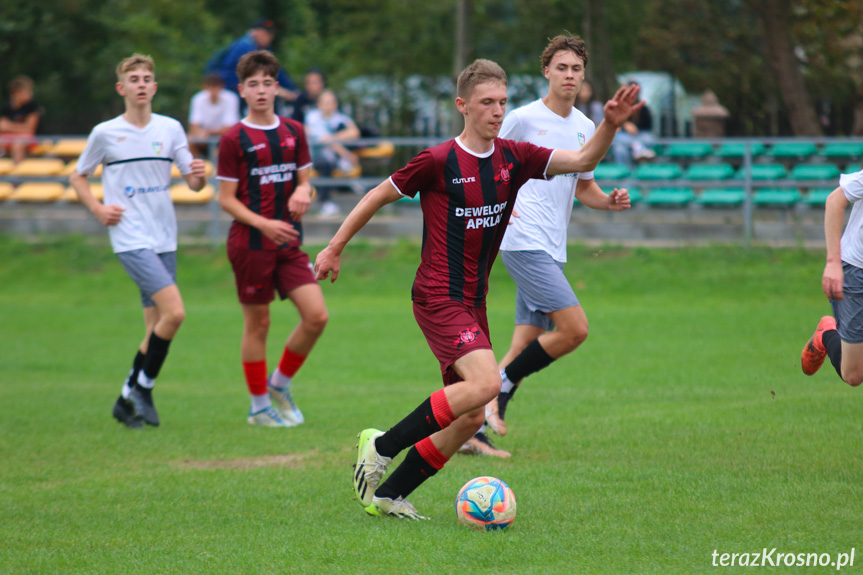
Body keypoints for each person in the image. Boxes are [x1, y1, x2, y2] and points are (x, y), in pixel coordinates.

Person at [314, 58, 643, 520]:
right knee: (487, 385)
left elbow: (584, 161)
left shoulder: (515, 157)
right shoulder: (436, 160)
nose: (496, 110)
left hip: (473, 300)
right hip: (436, 294)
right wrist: (333, 248)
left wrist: (608, 124)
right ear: (463, 106)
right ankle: (381, 445)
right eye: (487, 102)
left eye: (503, 102)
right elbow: (376, 195)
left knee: (470, 414)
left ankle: (390, 495)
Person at [470, 34, 632, 456]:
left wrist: (608, 203)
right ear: (546, 72)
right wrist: (502, 208)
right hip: (521, 241)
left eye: (576, 69)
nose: (569, 75)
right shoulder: (520, 118)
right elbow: (483, 158)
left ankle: (472, 428)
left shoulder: (583, 127)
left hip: (551, 247)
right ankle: (498, 391)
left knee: (525, 344)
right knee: (575, 329)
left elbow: (584, 187)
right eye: (561, 68)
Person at [69, 54, 208, 428]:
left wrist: (199, 174)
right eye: (134, 78)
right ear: (122, 88)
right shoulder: (105, 133)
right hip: (130, 238)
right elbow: (78, 176)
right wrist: (98, 210)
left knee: (155, 327)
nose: (142, 83)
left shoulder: (170, 128)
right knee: (175, 313)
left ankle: (124, 398)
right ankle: (144, 387)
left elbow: (193, 183)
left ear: (155, 87)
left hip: (165, 237)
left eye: (148, 77)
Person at [217, 50, 328, 427]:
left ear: (277, 87)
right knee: (258, 324)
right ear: (242, 91)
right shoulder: (233, 139)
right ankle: (258, 406)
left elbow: (304, 181)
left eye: (267, 83)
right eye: (253, 84)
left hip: (290, 243)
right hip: (250, 246)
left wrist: (305, 191)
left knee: (316, 316)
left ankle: (279, 385)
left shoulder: (294, 132)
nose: (261, 90)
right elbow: (225, 200)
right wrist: (263, 224)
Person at [801, 168, 863, 388]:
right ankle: (827, 332)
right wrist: (833, 263)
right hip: (857, 269)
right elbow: (835, 200)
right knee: (854, 374)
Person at [217, 19, 299, 108]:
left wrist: (293, 90)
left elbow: (277, 72)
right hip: (234, 90)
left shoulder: (263, 48)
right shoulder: (245, 47)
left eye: (271, 34)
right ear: (256, 33)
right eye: (267, 34)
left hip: (249, 88)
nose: (270, 37)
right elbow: (255, 75)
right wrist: (280, 91)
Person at [304, 89, 361, 216]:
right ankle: (324, 202)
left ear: (335, 104)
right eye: (326, 102)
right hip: (315, 157)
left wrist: (335, 137)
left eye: (331, 102)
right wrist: (347, 154)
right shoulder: (313, 117)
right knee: (325, 163)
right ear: (319, 104)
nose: (329, 105)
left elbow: (354, 132)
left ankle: (350, 181)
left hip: (334, 155)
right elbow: (325, 141)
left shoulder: (340, 118)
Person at [188, 73, 240, 157]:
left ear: (222, 87)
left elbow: (230, 128)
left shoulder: (231, 98)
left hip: (225, 138)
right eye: (210, 87)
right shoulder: (198, 98)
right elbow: (194, 126)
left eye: (215, 87)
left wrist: (207, 132)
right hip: (204, 139)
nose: (213, 91)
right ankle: (195, 167)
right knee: (189, 141)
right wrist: (201, 134)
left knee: (228, 143)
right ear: (204, 87)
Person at [611, 81, 655, 167]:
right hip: (624, 137)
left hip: (639, 136)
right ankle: (638, 147)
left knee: (648, 138)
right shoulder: (616, 107)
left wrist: (634, 128)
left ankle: (637, 146)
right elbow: (612, 125)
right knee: (618, 145)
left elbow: (647, 127)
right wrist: (624, 126)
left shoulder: (643, 108)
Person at [0, 76, 43, 163]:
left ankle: (16, 174)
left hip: (33, 139)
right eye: (27, 91)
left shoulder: (32, 107)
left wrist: (9, 126)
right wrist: (21, 128)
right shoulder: (7, 107)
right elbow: (2, 127)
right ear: (16, 93)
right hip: (11, 137)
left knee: (18, 145)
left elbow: (29, 129)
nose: (31, 94)